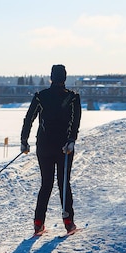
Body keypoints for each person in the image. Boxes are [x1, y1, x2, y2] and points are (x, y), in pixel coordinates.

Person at [20, 64, 82, 235]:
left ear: (51, 77)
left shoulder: (41, 96)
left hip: (44, 146)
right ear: (65, 78)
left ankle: (38, 223)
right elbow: (75, 122)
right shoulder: (73, 98)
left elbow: (29, 119)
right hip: (65, 148)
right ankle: (69, 222)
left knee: (46, 184)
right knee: (64, 183)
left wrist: (24, 140)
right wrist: (71, 140)